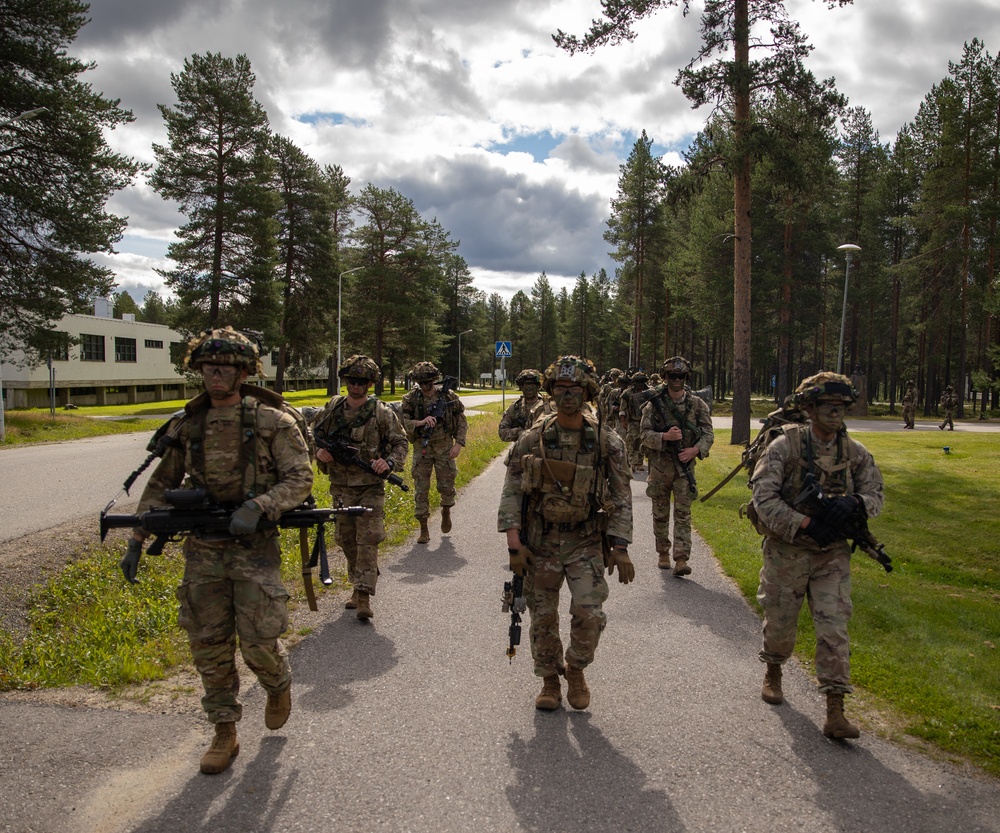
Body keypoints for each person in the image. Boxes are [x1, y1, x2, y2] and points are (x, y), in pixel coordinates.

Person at [119, 327, 314, 774]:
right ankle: (224, 731)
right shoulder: (189, 424)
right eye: (209, 368)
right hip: (203, 550)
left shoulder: (272, 421)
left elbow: (300, 479)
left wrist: (261, 506)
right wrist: (135, 539)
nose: (216, 376)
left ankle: (276, 681)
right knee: (207, 645)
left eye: (225, 368)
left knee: (259, 641)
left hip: (253, 547)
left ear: (244, 372)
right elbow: (160, 485)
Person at [750, 371, 884, 740]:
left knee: (834, 628)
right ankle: (774, 670)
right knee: (780, 623)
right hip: (788, 551)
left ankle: (835, 710)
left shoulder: (855, 453)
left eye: (840, 407)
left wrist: (853, 503)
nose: (834, 413)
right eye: (827, 406)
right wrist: (805, 522)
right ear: (809, 408)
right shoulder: (784, 447)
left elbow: (876, 496)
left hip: (832, 555)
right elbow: (763, 499)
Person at [498, 355, 633, 711]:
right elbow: (512, 489)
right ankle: (548, 681)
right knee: (542, 616)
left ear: (587, 392)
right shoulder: (533, 438)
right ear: (551, 392)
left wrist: (619, 546)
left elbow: (621, 495)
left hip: (586, 540)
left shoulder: (606, 442)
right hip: (540, 541)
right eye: (561, 388)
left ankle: (575, 668)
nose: (568, 395)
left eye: (575, 389)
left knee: (589, 613)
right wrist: (514, 542)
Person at [311, 355, 408, 620]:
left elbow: (401, 443)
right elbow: (312, 435)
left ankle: (363, 595)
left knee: (368, 537)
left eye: (362, 382)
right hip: (340, 485)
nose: (356, 386)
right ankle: (360, 580)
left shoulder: (381, 412)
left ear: (370, 384)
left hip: (370, 487)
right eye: (352, 381)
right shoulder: (332, 408)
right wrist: (319, 451)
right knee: (345, 539)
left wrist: (387, 463)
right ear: (346, 381)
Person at [640, 356, 714, 576]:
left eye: (680, 376)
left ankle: (681, 559)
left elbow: (708, 433)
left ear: (686, 377)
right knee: (660, 513)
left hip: (685, 468)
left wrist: (696, 450)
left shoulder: (697, 404)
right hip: (661, 468)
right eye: (672, 375)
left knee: (683, 514)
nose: (676, 380)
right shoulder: (653, 404)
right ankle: (663, 553)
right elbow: (643, 435)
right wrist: (664, 437)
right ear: (665, 376)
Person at [400, 361, 468, 544]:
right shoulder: (411, 399)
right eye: (421, 383)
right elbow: (403, 423)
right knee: (421, 489)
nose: (425, 387)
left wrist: (458, 444)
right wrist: (421, 422)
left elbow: (461, 420)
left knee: (446, 485)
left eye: (428, 383)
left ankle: (446, 510)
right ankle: (423, 527)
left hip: (445, 446)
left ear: (435, 380)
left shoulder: (447, 396)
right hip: (422, 447)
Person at [498, 368, 550, 442]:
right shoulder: (515, 407)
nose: (529, 387)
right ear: (521, 387)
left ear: (538, 386)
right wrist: (519, 433)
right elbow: (502, 432)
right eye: (526, 384)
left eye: (532, 384)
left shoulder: (547, 406)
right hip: (521, 450)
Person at [623, 370, 649, 472]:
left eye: (642, 382)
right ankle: (631, 462)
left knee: (642, 442)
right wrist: (623, 421)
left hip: (646, 421)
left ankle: (639, 462)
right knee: (631, 441)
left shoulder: (649, 392)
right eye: (638, 382)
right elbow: (623, 408)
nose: (640, 384)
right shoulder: (628, 393)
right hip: (633, 421)